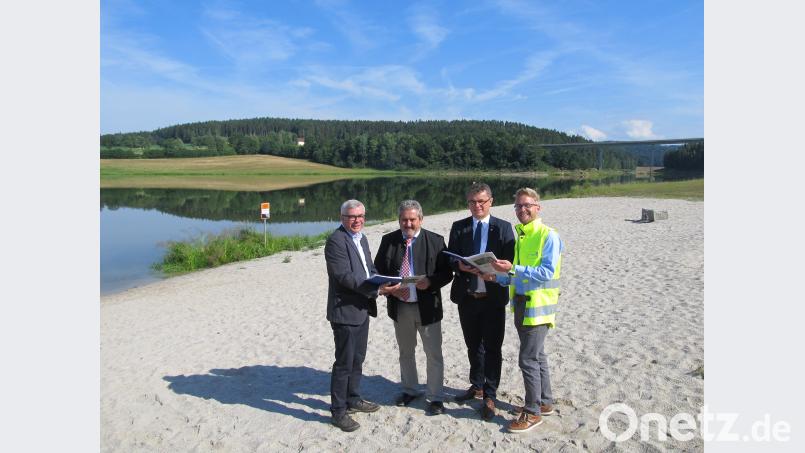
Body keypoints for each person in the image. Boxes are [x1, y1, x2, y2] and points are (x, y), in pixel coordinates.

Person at [481, 187, 564, 433]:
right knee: (537, 356)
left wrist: (513, 270)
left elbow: (546, 273)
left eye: (527, 205)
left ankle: (532, 411)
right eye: (518, 206)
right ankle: (545, 402)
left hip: (538, 306)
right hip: (520, 303)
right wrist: (498, 278)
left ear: (538, 207)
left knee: (527, 359)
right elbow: (518, 275)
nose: (522, 210)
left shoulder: (548, 235)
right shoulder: (523, 236)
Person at [374, 200, 453, 416]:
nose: (408, 224)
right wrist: (390, 289)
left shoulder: (435, 241)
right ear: (399, 220)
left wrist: (431, 282)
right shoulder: (388, 240)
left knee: (433, 354)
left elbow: (447, 273)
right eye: (404, 220)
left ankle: (435, 397)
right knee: (406, 352)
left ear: (420, 219)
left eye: (412, 219)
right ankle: (410, 389)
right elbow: (377, 272)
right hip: (401, 308)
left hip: (428, 307)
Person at [447, 182, 515, 421]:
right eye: (473, 202)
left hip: (493, 297)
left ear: (491, 202)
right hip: (467, 296)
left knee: (493, 348)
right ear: (468, 204)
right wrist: (459, 265)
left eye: (482, 202)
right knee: (473, 345)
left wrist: (494, 272)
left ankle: (490, 393)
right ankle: (476, 384)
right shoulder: (459, 227)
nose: (477, 206)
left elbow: (510, 262)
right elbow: (450, 258)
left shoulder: (504, 228)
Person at [325, 199, 394, 432]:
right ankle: (338, 411)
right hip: (345, 311)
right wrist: (376, 289)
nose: (357, 220)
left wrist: (383, 281)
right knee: (344, 363)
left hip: (362, 309)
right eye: (352, 217)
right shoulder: (335, 241)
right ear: (342, 218)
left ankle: (353, 398)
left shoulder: (361, 238)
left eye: (360, 216)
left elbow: (368, 269)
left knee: (358, 358)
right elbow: (344, 276)